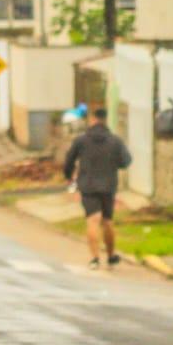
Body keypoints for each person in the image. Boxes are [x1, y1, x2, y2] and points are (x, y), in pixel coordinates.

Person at [63, 107, 132, 269]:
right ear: (105, 120)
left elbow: (69, 161)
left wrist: (69, 177)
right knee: (107, 221)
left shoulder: (81, 140)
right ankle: (110, 256)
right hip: (108, 185)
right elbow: (126, 161)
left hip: (87, 185)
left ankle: (94, 258)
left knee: (93, 219)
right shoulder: (115, 140)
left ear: (92, 119)